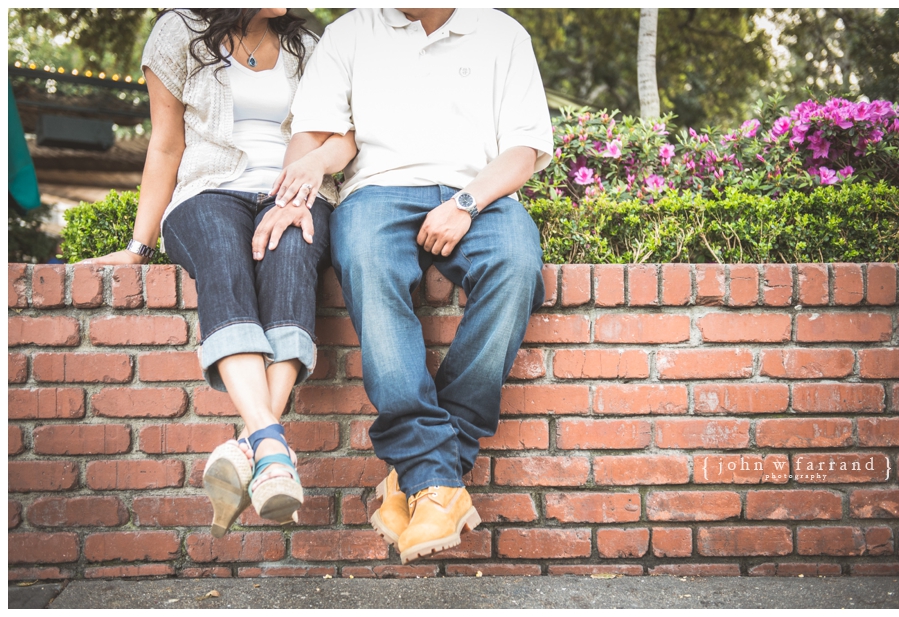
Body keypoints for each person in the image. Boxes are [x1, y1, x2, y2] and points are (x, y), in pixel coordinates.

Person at [255, 8, 552, 563]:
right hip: (376, 192)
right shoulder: (349, 32)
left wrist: (465, 204)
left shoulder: (503, 33)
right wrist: (289, 198)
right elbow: (313, 133)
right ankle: (435, 477)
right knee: (367, 262)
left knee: (516, 265)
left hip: (481, 195)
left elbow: (523, 150)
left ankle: (416, 473)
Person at [84, 8, 356, 536]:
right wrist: (138, 248)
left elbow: (343, 136)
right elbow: (165, 144)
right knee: (223, 259)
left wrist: (311, 170)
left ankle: (254, 446)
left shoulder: (309, 41)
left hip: (297, 195)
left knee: (292, 262)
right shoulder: (177, 33)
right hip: (207, 192)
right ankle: (273, 451)